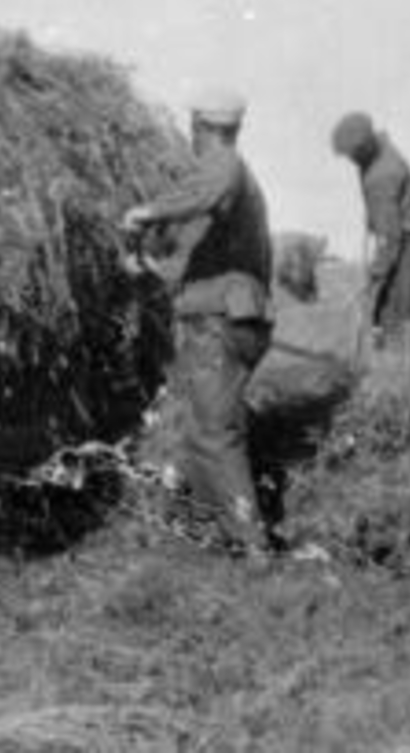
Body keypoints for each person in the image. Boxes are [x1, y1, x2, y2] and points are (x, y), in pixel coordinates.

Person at [123, 88, 275, 558]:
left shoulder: (224, 163)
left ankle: (253, 549)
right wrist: (148, 266)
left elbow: (204, 188)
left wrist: (143, 212)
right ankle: (206, 529)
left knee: (214, 434)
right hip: (222, 317)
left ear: (203, 128)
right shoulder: (223, 199)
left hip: (221, 321)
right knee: (201, 430)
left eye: (193, 128)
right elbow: (191, 268)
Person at [331, 111, 410, 352]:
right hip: (402, 231)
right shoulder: (376, 147)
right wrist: (374, 218)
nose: (349, 160)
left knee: (401, 311)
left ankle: (402, 374)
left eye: (351, 154)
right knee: (381, 308)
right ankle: (383, 360)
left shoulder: (382, 175)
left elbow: (392, 240)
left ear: (364, 148)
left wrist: (373, 275)